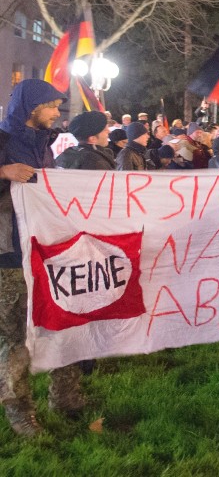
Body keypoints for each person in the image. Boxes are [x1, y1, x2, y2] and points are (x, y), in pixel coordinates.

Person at [0, 79, 85, 437]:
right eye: (51, 106)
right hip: (9, 258)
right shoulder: (3, 141)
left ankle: (65, 397)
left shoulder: (45, 144)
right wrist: (2, 172)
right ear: (32, 107)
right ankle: (19, 411)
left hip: (48, 251)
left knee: (62, 322)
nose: (56, 112)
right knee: (14, 338)